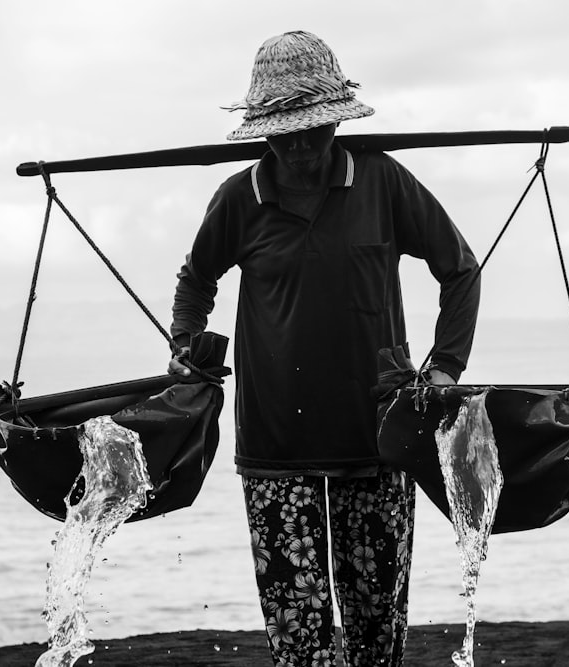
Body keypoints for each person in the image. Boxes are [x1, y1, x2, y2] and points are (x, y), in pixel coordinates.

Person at [169, 30, 480, 666]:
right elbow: (196, 279)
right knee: (298, 643)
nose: (304, 145)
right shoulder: (239, 200)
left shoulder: (383, 182)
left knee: (376, 637)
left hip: (379, 440)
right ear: (265, 132)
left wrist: (445, 365)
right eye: (287, 133)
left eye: (315, 129)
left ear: (336, 120)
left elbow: (460, 268)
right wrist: (183, 343)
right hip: (275, 450)